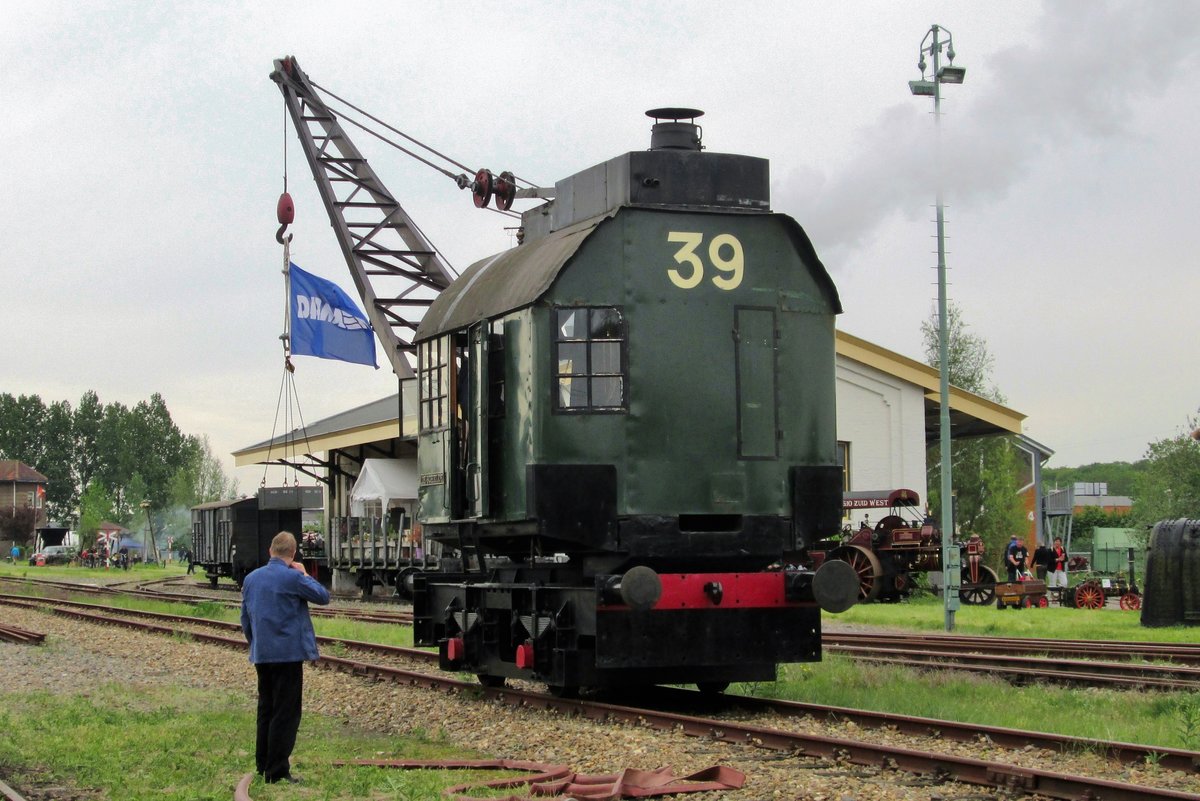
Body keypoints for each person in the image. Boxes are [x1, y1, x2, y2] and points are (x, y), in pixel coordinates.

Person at [240, 531, 330, 785]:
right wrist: (303, 573)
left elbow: (245, 619)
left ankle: (263, 763)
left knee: (266, 708)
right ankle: (277, 770)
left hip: (262, 654)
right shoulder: (293, 577)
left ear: (270, 551)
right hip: (288, 655)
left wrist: (256, 643)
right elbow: (323, 597)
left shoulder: (251, 579)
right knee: (286, 712)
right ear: (292, 555)